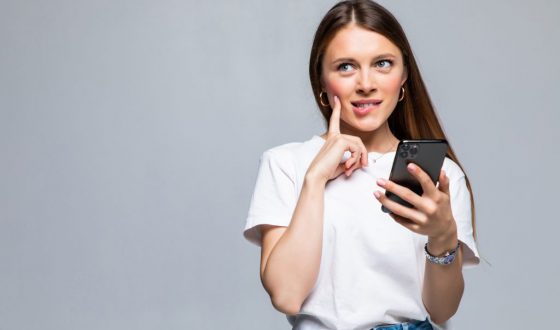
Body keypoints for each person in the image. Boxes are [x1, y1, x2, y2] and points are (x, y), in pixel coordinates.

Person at [242, 1, 480, 329]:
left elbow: (442, 311)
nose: (366, 83)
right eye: (345, 67)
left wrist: (443, 236)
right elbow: (286, 295)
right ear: (322, 81)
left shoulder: (438, 175)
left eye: (382, 63)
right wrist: (315, 179)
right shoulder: (285, 164)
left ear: (404, 76)